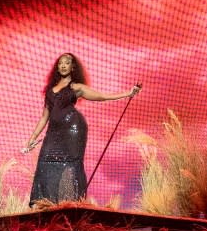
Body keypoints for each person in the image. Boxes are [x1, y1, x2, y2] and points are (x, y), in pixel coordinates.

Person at [24, 53, 140, 205]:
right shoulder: (49, 90)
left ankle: (71, 205)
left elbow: (103, 96)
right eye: (60, 63)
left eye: (67, 63)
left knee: (71, 166)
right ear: (57, 67)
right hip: (53, 133)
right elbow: (44, 117)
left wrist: (128, 93)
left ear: (73, 67)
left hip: (73, 129)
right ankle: (47, 206)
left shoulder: (76, 87)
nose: (63, 65)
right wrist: (32, 138)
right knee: (45, 163)